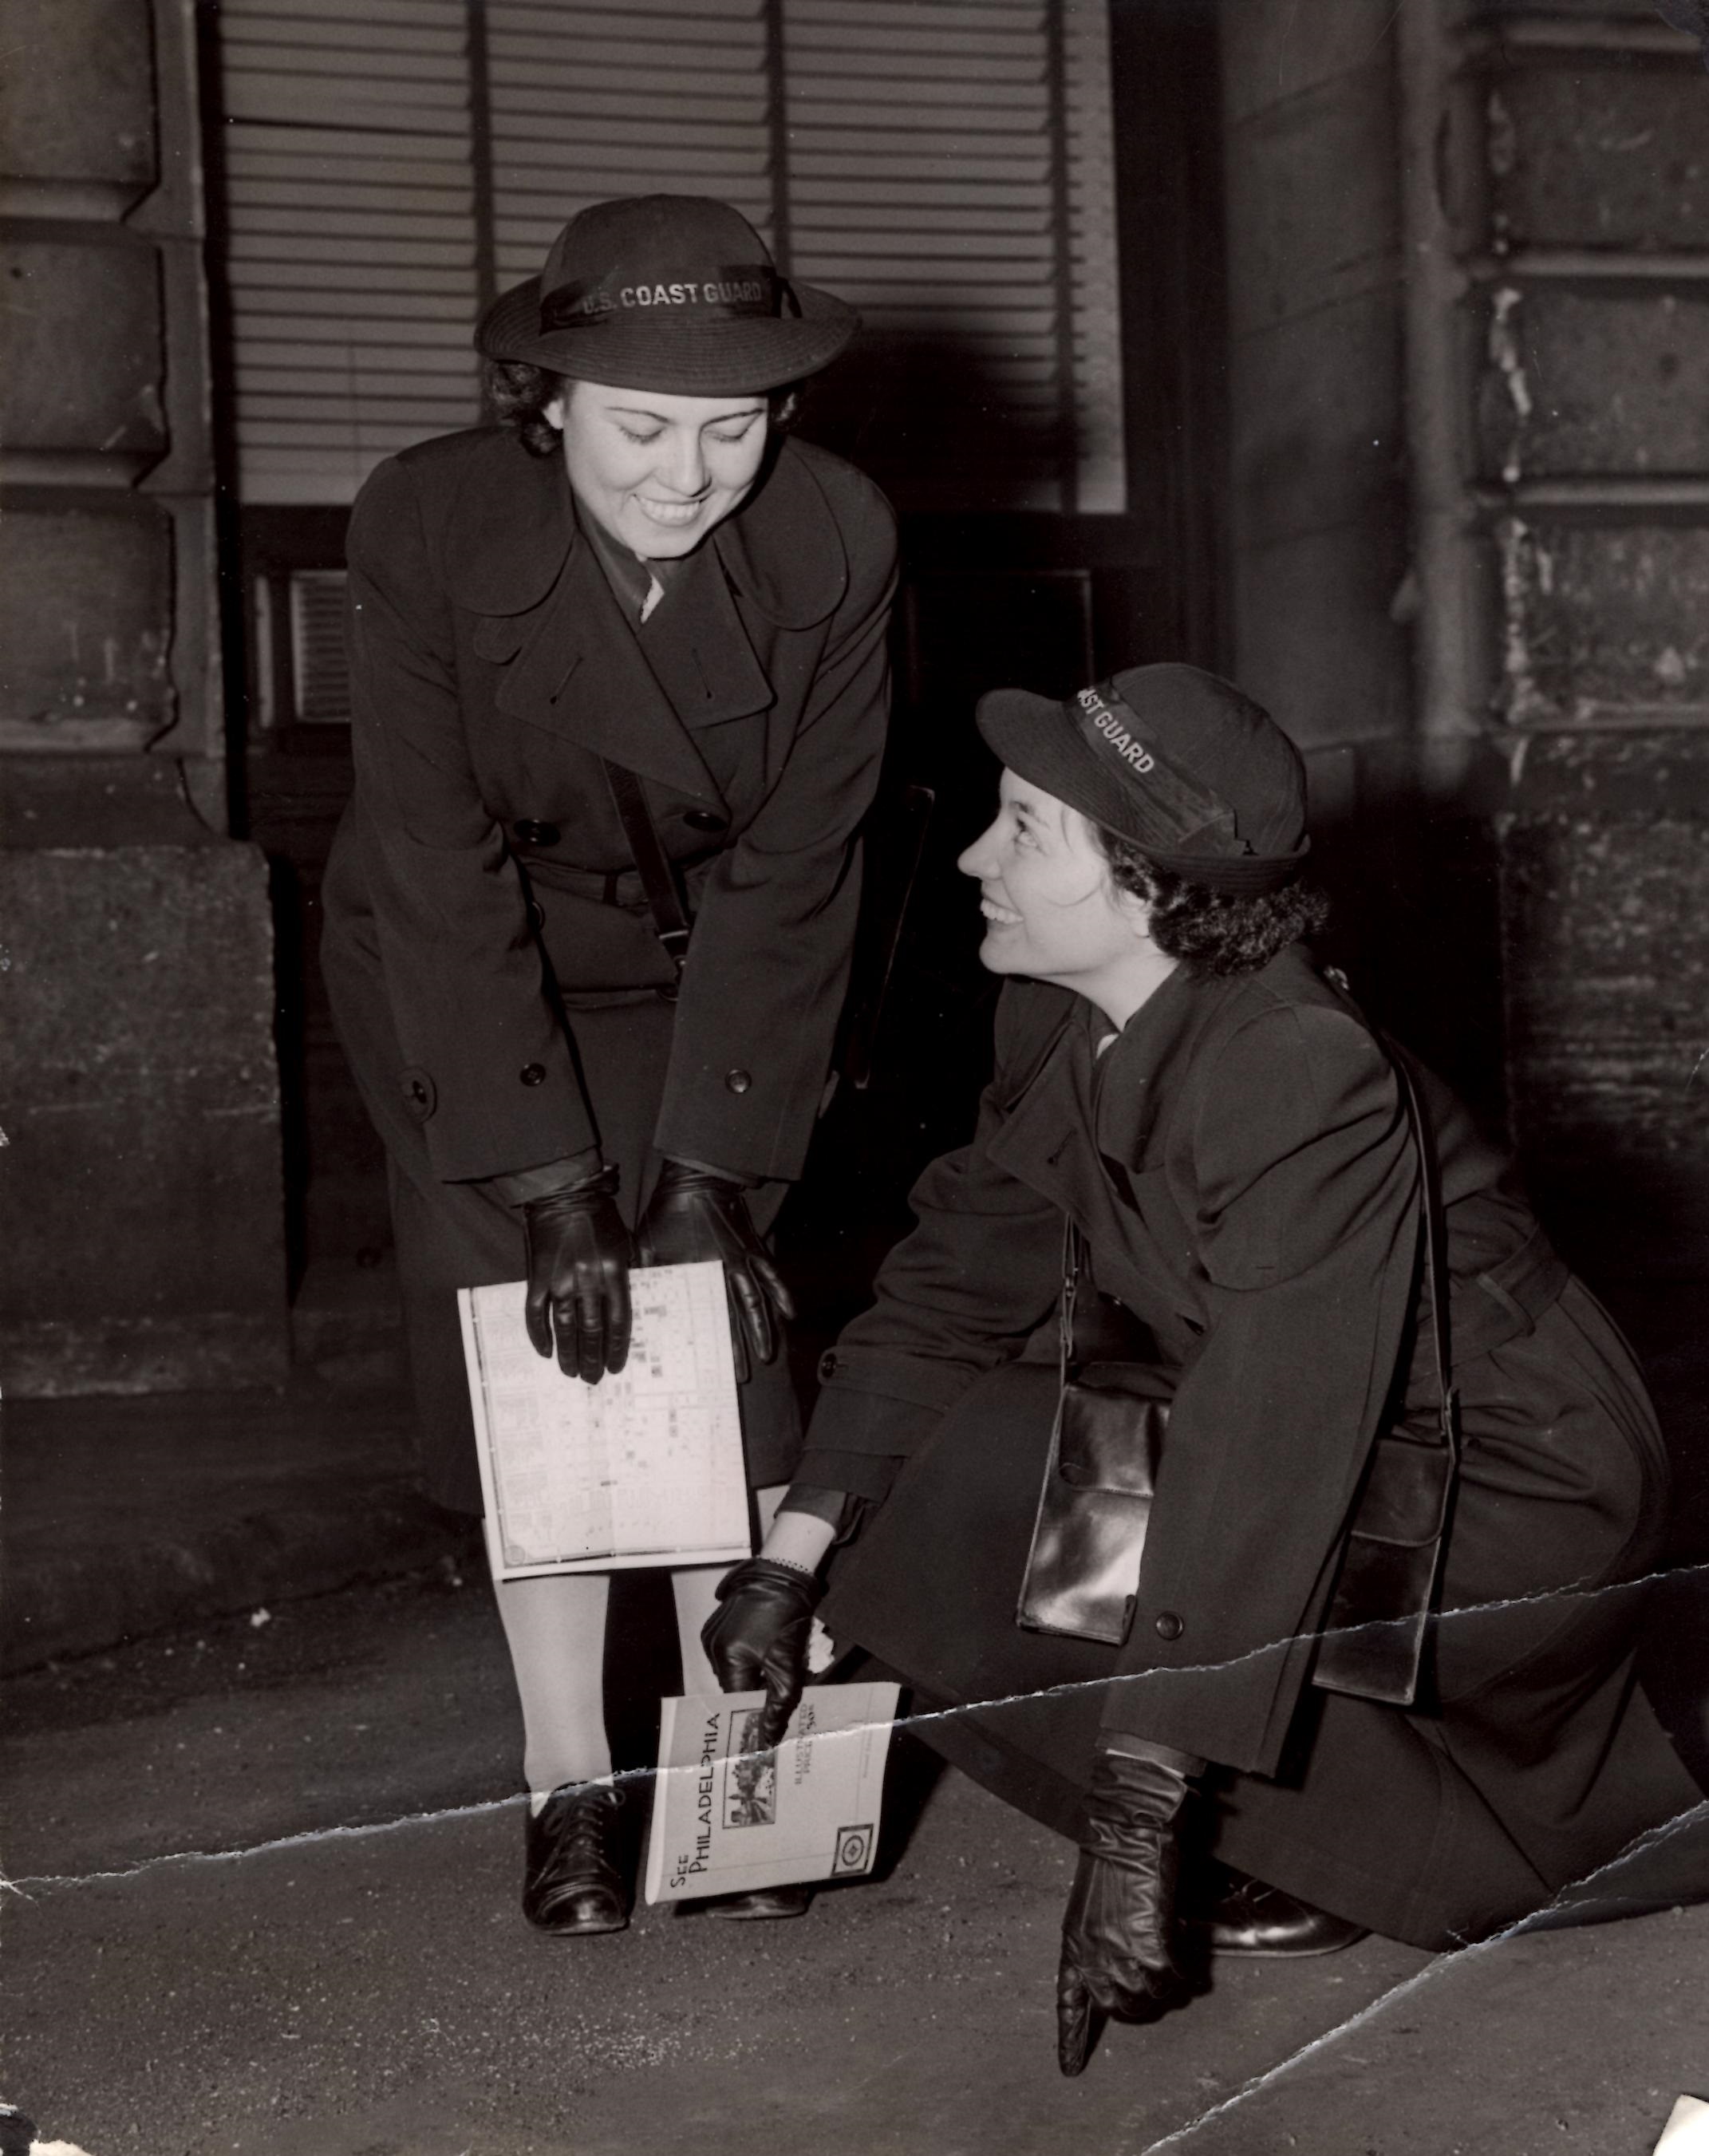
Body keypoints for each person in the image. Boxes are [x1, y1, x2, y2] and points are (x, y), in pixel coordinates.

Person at [703, 663, 1700, 2071]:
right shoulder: (1058, 1014)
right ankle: (1290, 1814)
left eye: (1024, 830)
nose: (976, 856)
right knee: (969, 1468)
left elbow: (1270, 1438)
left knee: (1037, 1487)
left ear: (1149, 883)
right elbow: (949, 1290)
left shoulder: (1295, 1064)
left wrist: (1139, 1802)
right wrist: (789, 1556)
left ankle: (1333, 1846)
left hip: (1510, 1479)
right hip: (1334, 1438)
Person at [320, 195, 897, 1937]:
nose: (686, 473)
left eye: (734, 428)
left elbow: (801, 876)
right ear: (545, 398)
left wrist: (709, 1179)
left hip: (699, 960)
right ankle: (567, 1777)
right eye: (641, 424)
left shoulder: (839, 541)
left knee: (721, 1343)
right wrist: (554, 1179)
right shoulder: (427, 523)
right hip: (463, 953)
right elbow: (433, 859)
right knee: (546, 1346)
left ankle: (745, 1784)